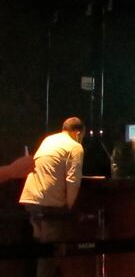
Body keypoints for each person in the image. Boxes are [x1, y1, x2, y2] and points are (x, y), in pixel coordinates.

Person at [19, 117, 85, 277]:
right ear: (77, 133)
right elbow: (73, 179)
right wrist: (69, 206)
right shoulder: (75, 146)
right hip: (50, 203)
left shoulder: (48, 140)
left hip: (30, 198)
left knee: (40, 247)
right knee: (49, 252)